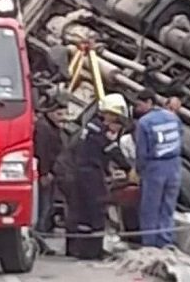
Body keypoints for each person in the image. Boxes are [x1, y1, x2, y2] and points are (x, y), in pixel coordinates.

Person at [66, 94, 132, 259]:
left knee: (83, 213)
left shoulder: (90, 126)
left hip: (80, 172)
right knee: (96, 211)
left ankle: (81, 249)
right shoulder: (100, 131)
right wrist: (128, 168)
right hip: (90, 175)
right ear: (111, 115)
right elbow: (112, 151)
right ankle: (93, 250)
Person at [134, 88, 184, 248]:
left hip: (155, 167)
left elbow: (142, 151)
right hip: (174, 165)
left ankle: (149, 244)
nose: (137, 109)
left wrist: (139, 170)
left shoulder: (144, 123)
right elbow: (180, 138)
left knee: (150, 207)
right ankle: (165, 240)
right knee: (168, 206)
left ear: (149, 102)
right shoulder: (173, 118)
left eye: (139, 105)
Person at [33, 104, 68, 254]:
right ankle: (38, 241)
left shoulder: (52, 128)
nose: (62, 118)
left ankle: (40, 240)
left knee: (47, 207)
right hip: (45, 173)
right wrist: (45, 172)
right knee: (43, 207)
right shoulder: (44, 129)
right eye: (59, 114)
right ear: (51, 113)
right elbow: (43, 152)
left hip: (53, 172)